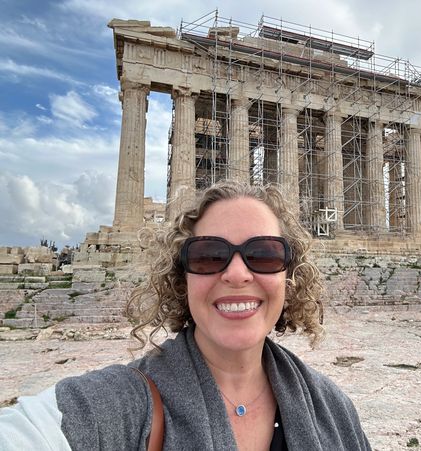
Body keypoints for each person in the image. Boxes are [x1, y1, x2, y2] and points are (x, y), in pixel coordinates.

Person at [0, 180, 371, 450]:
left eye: (263, 254)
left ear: (289, 276)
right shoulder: (118, 405)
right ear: (182, 278)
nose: (237, 274)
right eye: (208, 255)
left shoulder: (334, 408)